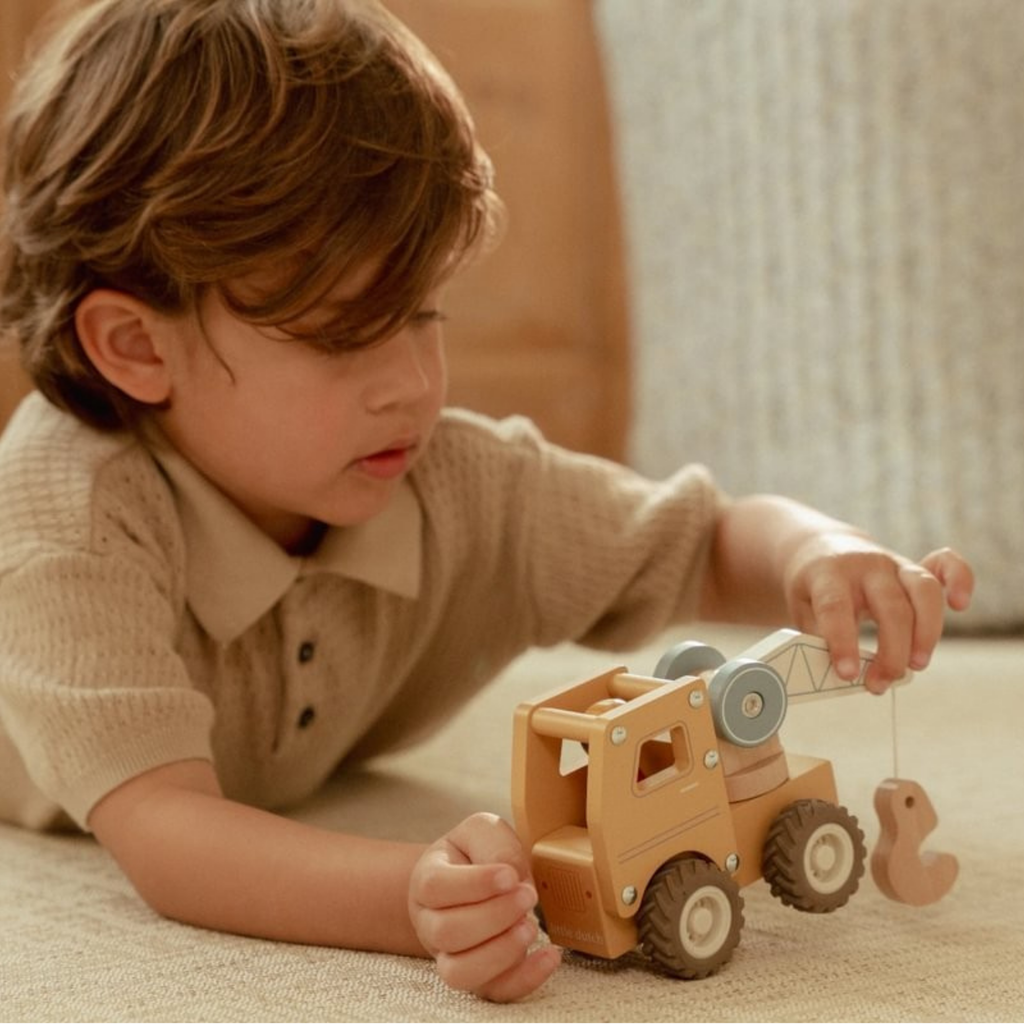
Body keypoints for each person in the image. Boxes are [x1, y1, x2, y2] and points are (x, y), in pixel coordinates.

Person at [0, 0, 973, 1003]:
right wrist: (407, 893)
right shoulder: (68, 522)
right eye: (343, 333)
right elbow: (169, 832)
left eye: (421, 312)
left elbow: (701, 542)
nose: (412, 383)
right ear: (136, 346)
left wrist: (819, 556)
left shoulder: (454, 485)